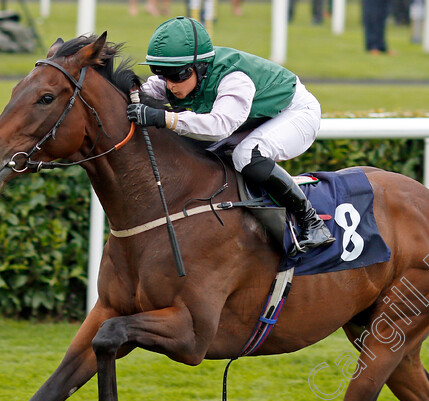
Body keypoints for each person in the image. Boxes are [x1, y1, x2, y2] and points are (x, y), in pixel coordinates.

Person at [127, 17, 335, 255]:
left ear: (200, 67)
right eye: (161, 74)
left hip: (296, 112)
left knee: (246, 155)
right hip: (254, 117)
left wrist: (164, 118)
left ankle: (312, 221)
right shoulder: (177, 79)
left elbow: (219, 126)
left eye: (177, 75)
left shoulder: (234, 79)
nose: (170, 84)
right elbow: (141, 92)